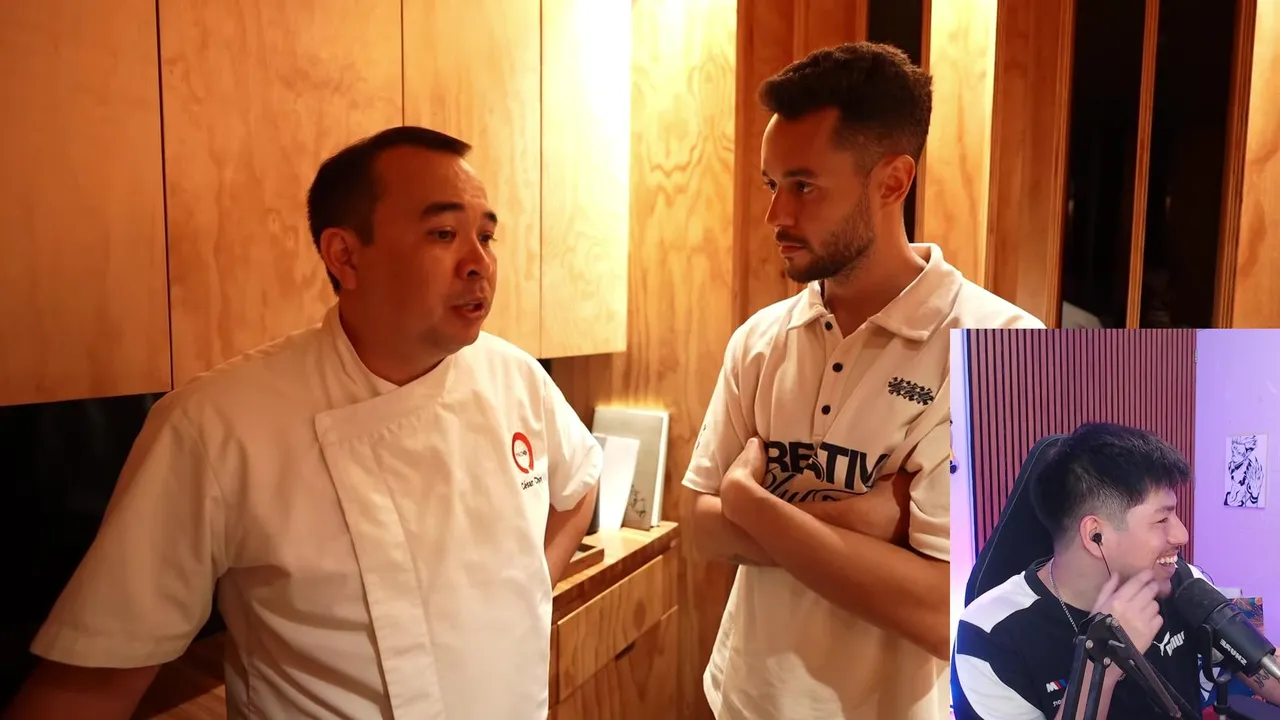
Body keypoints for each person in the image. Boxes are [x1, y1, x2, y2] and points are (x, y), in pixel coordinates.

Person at [3, 126, 603, 720]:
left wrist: (530, 595)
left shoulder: (516, 376)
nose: (480, 264)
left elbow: (580, 483)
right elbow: (94, 683)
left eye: (487, 236)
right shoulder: (215, 426)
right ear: (345, 256)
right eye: (443, 233)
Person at [682, 41, 1045, 720]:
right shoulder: (760, 341)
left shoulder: (1001, 350)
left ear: (891, 182)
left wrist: (750, 502)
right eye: (771, 185)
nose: (776, 216)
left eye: (803, 186)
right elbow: (701, 528)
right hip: (744, 700)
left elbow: (950, 614)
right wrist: (867, 519)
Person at [951, 422, 1280, 718]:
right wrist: (1102, 661)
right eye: (1162, 519)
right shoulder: (988, 637)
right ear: (1096, 536)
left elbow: (1266, 673)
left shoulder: (1183, 582)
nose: (1182, 534)